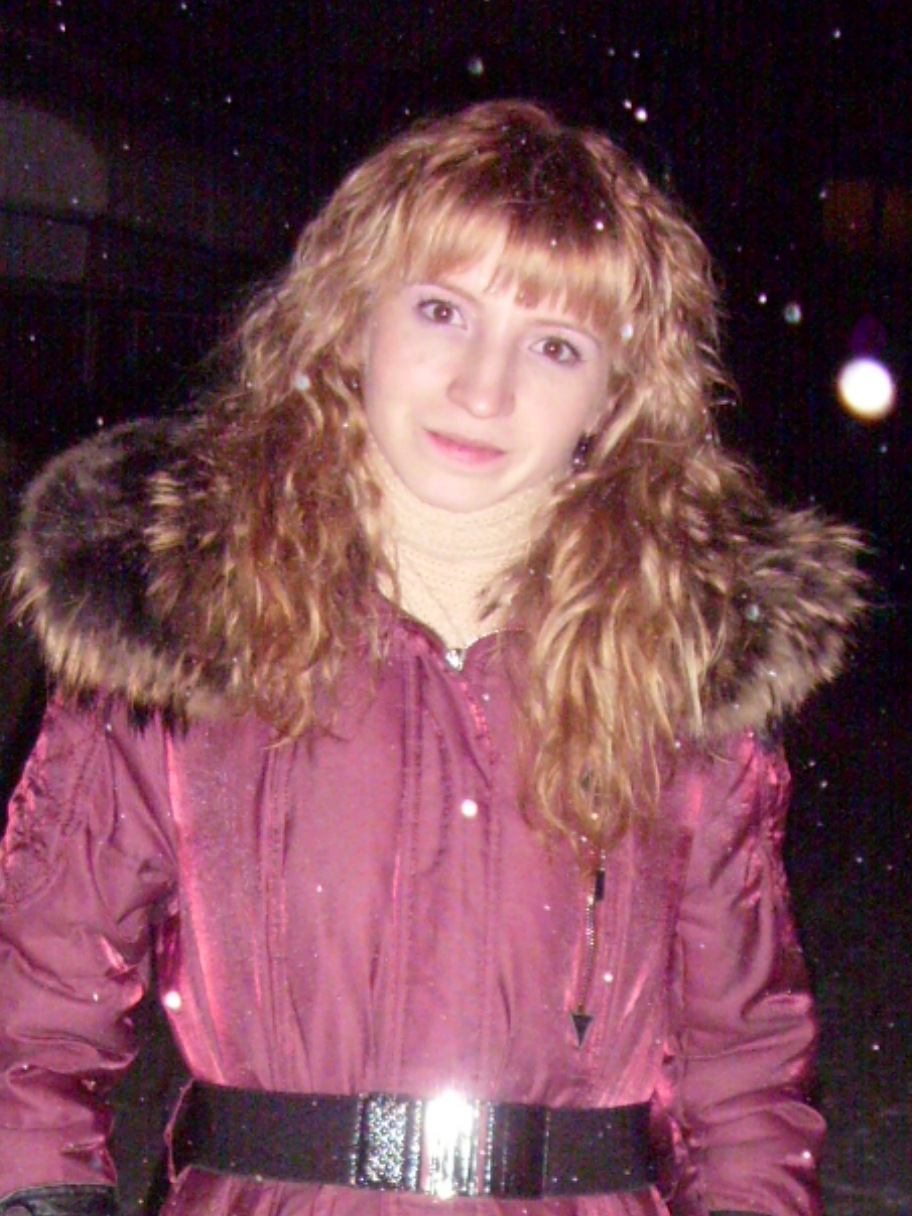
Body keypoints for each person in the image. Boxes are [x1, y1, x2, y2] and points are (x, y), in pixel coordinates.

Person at [0, 100, 864, 1216]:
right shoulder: (185, 620)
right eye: (444, 310)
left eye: (555, 345)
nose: (483, 388)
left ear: (615, 392)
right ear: (353, 314)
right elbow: (35, 1009)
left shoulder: (680, 672)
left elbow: (741, 1073)